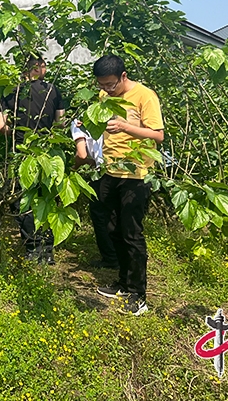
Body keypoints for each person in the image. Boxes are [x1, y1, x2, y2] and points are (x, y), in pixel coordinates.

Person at [92, 55, 164, 316]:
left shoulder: (145, 96)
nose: (106, 90)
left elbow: (158, 135)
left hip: (137, 173)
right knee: (111, 227)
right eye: (102, 85)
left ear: (123, 76)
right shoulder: (104, 96)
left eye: (110, 85)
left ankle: (138, 294)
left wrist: (124, 126)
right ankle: (123, 282)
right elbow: (102, 126)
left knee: (131, 233)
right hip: (111, 170)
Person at [0, 56, 65, 264]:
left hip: (22, 154)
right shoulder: (53, 90)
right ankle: (48, 249)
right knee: (47, 198)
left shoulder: (10, 91)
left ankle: (32, 248)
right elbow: (60, 123)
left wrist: (16, 134)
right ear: (39, 67)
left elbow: (1, 126)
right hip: (47, 153)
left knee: (24, 201)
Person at [70, 119, 118, 270]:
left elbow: (82, 155)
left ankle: (110, 258)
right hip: (123, 168)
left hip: (102, 172)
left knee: (101, 215)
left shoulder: (78, 121)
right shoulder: (113, 114)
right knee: (118, 213)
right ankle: (124, 255)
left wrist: (73, 168)